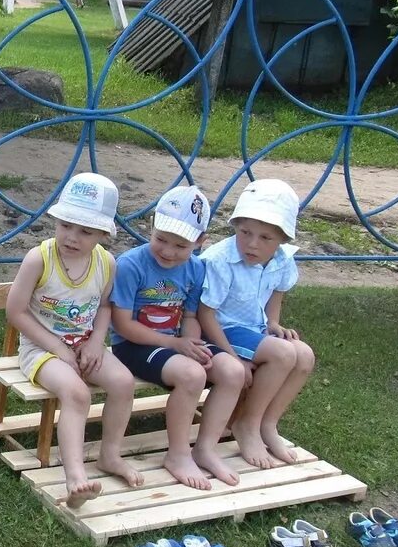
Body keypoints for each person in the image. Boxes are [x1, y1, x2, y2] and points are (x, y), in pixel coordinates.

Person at [5, 173, 135, 508]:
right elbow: (16, 312)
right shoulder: (40, 258)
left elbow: (105, 305)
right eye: (66, 226)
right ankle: (75, 475)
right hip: (40, 349)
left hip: (86, 344)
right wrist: (58, 348)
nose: (72, 237)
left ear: (103, 234)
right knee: (76, 392)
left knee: (122, 382)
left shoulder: (106, 263)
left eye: (85, 231)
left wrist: (95, 343)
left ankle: (109, 455)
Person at [110, 185, 247, 490]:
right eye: (161, 239)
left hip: (174, 342)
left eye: (181, 245)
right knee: (191, 374)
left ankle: (206, 448)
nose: (168, 251)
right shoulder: (131, 264)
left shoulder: (196, 269)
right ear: (152, 227)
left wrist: (192, 345)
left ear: (200, 242)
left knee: (232, 371)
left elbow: (189, 317)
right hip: (132, 346)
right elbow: (121, 325)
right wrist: (176, 346)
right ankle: (178, 454)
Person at [199, 179, 315, 469]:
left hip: (254, 329)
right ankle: (246, 425)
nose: (252, 243)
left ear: (282, 240)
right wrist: (230, 356)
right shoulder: (220, 260)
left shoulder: (283, 258)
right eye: (245, 232)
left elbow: (277, 291)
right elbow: (205, 314)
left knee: (304, 355)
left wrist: (273, 322)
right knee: (283, 354)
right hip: (220, 330)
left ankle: (267, 423)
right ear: (235, 227)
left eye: (265, 238)